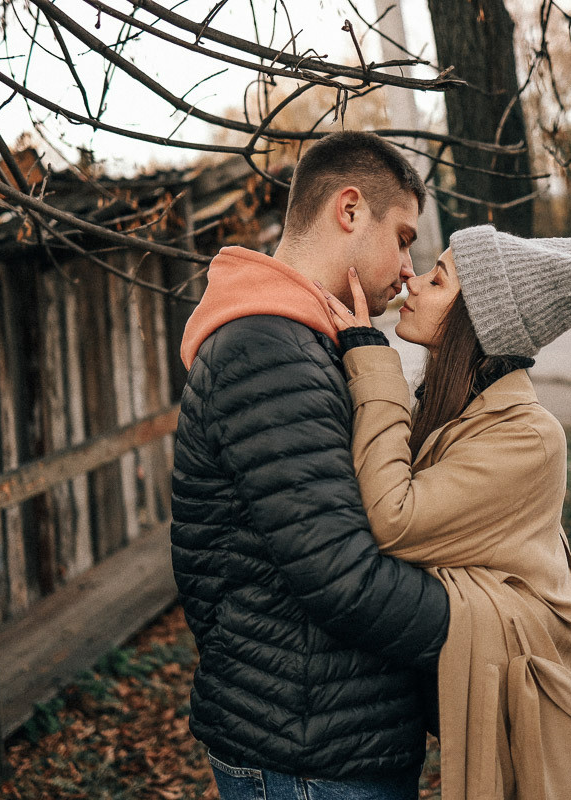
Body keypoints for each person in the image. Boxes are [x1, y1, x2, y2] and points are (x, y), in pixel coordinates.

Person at [170, 131, 450, 800]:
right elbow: (339, 573)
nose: (409, 268)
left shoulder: (311, 343)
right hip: (306, 753)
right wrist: (488, 624)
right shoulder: (267, 349)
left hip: (331, 730)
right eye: (404, 238)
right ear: (349, 210)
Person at [320, 225, 571, 799]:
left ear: (477, 318)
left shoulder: (527, 436)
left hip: (533, 703)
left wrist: (373, 361)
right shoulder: (451, 405)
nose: (412, 280)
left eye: (438, 279)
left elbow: (394, 518)